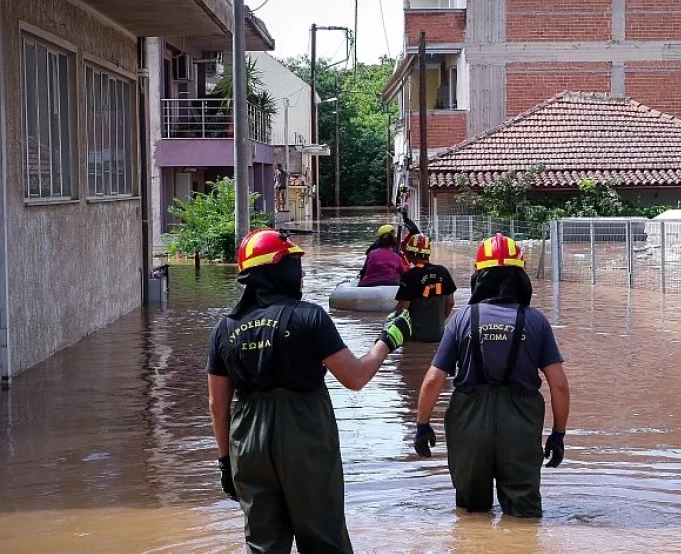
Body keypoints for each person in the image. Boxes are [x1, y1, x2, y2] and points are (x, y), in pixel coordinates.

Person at [207, 228, 413, 553]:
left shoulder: (225, 328)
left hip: (247, 440)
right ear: (278, 269)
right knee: (323, 539)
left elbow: (218, 405)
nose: (300, 273)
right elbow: (355, 378)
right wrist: (388, 339)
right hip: (304, 434)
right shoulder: (308, 317)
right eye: (294, 264)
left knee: (262, 544)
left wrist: (224, 462)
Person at [413, 233, 571, 518]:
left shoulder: (461, 319)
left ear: (478, 275)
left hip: (469, 423)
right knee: (524, 515)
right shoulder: (536, 321)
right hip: (520, 425)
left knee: (471, 514)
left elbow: (433, 380)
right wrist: (558, 434)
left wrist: (422, 425)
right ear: (520, 275)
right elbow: (558, 384)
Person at [394, 234, 457, 343]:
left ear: (411, 254)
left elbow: (402, 309)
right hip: (438, 335)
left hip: (414, 337)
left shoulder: (409, 276)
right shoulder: (443, 271)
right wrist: (439, 322)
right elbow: (450, 303)